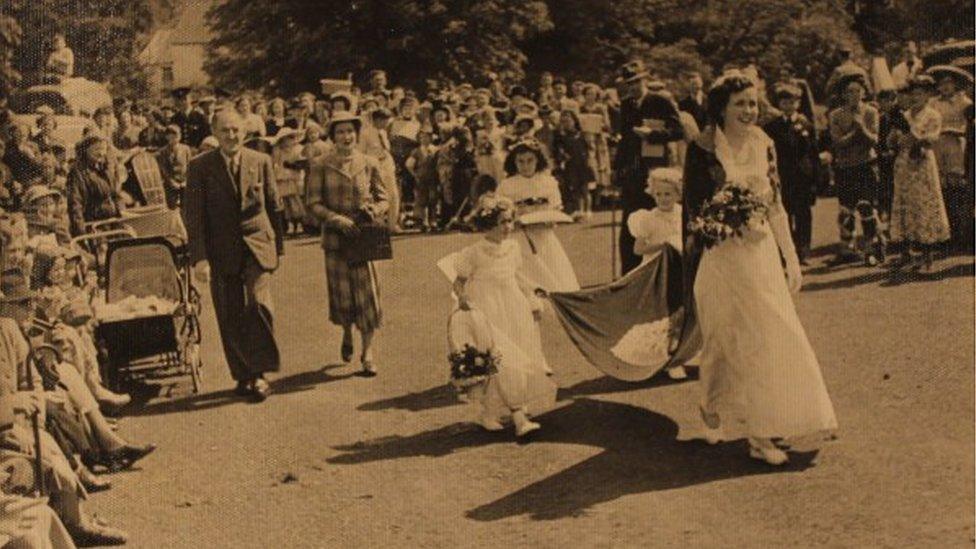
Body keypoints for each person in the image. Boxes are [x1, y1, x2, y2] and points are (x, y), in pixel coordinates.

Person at [682, 73, 837, 465]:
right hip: (722, 260)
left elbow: (776, 203)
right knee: (723, 342)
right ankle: (710, 406)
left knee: (770, 337)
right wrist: (728, 225)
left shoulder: (764, 144)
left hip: (762, 256)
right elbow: (695, 212)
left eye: (753, 103)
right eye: (741, 104)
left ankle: (763, 429)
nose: (750, 111)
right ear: (721, 107)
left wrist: (790, 256)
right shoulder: (701, 148)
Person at [183, 110, 283, 402]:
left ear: (245, 131)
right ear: (215, 132)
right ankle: (243, 374)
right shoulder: (200, 167)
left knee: (258, 303)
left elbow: (274, 207)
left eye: (237, 130)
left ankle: (261, 373)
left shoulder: (260, 161)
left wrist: (278, 248)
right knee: (229, 312)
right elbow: (194, 216)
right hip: (221, 249)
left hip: (257, 245)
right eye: (225, 130)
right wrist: (199, 258)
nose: (232, 136)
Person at [451, 196, 557, 436]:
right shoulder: (474, 252)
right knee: (500, 358)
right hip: (488, 308)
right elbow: (459, 283)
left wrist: (533, 292)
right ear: (488, 224)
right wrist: (463, 299)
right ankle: (507, 414)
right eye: (501, 222)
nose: (508, 227)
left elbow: (517, 276)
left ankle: (501, 409)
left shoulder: (513, 247)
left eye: (510, 221)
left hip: (513, 306)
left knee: (520, 352)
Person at [305, 112, 388, 376]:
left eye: (350, 131)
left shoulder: (369, 162)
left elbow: (384, 198)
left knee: (368, 296)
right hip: (336, 239)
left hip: (364, 239)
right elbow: (313, 203)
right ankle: (346, 333)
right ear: (333, 136)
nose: (346, 137)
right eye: (340, 132)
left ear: (357, 133)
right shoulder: (320, 164)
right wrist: (335, 218)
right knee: (343, 296)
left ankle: (368, 352)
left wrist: (373, 210)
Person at [613, 60, 684, 274]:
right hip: (632, 174)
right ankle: (629, 274)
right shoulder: (626, 104)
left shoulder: (660, 101)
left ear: (645, 79)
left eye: (636, 82)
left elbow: (678, 131)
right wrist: (618, 167)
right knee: (630, 226)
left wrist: (653, 135)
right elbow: (625, 138)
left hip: (656, 175)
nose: (633, 87)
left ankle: (662, 271)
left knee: (658, 222)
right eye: (628, 83)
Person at [627, 167, 687, 381]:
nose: (663, 199)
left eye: (668, 194)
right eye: (658, 194)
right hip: (657, 271)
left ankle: (678, 355)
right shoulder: (648, 219)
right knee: (662, 313)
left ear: (678, 194)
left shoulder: (683, 213)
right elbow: (638, 249)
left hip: (680, 268)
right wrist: (662, 246)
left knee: (680, 311)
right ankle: (664, 358)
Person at [497, 138, 580, 293]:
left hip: (544, 234)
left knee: (554, 274)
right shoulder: (507, 185)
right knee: (527, 274)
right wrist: (514, 217)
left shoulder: (548, 182)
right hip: (519, 235)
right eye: (520, 161)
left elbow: (555, 206)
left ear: (538, 160)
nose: (525, 166)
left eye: (530, 160)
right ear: (514, 162)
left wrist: (551, 219)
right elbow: (502, 211)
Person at [888, 76, 951, 271]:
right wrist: (895, 137)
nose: (916, 98)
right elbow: (893, 141)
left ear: (928, 96)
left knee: (924, 203)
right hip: (904, 163)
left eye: (921, 94)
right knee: (905, 203)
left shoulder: (932, 114)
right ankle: (905, 252)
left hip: (922, 162)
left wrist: (914, 137)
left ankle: (927, 255)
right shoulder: (904, 115)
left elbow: (931, 138)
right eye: (913, 94)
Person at [828, 77, 884, 266]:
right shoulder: (835, 115)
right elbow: (838, 143)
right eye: (849, 92)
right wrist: (857, 130)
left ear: (864, 93)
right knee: (846, 210)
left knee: (866, 207)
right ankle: (847, 249)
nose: (854, 95)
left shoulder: (871, 112)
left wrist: (861, 130)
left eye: (857, 91)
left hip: (866, 165)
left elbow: (874, 140)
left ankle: (873, 248)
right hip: (845, 167)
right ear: (843, 95)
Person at [763, 82, 820, 264]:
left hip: (802, 176)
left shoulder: (805, 124)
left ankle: (804, 251)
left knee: (803, 214)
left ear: (798, 103)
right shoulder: (772, 126)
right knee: (784, 213)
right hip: (783, 176)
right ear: (779, 104)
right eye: (784, 102)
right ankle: (786, 252)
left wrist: (816, 176)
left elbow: (813, 151)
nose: (788, 106)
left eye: (792, 102)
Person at [928, 67, 974, 251]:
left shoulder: (964, 102)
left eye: (949, 82)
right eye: (942, 84)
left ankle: (962, 233)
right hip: (937, 146)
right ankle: (944, 234)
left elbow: (969, 125)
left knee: (959, 189)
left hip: (957, 145)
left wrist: (955, 130)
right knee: (941, 188)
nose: (945, 87)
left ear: (955, 84)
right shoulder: (933, 103)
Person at [65, 135, 127, 237]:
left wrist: (122, 213)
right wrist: (81, 232)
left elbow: (116, 194)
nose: (101, 153)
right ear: (86, 150)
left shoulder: (105, 168)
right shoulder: (78, 172)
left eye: (104, 149)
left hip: (113, 222)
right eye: (97, 149)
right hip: (94, 226)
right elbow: (75, 203)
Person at [551, 110, 594, 220]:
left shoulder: (582, 134)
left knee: (585, 189)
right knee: (575, 190)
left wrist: (590, 160)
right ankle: (579, 211)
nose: (566, 123)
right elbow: (558, 151)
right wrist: (563, 155)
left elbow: (590, 149)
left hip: (583, 164)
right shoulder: (561, 137)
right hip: (571, 165)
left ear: (574, 121)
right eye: (564, 122)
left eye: (568, 121)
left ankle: (588, 211)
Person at [271, 128, 306, 236]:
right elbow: (275, 163)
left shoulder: (298, 150)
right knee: (285, 203)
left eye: (291, 137)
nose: (289, 140)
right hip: (282, 178)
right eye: (287, 138)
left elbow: (302, 163)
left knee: (295, 201)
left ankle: (299, 223)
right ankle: (290, 223)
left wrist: (293, 165)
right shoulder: (278, 151)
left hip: (293, 178)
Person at [154, 125, 192, 209]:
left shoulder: (186, 149)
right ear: (167, 137)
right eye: (172, 136)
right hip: (170, 184)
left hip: (184, 183)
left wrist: (186, 181)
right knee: (172, 208)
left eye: (177, 135)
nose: (175, 139)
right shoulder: (162, 152)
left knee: (186, 207)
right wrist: (172, 182)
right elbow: (164, 170)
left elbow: (190, 166)